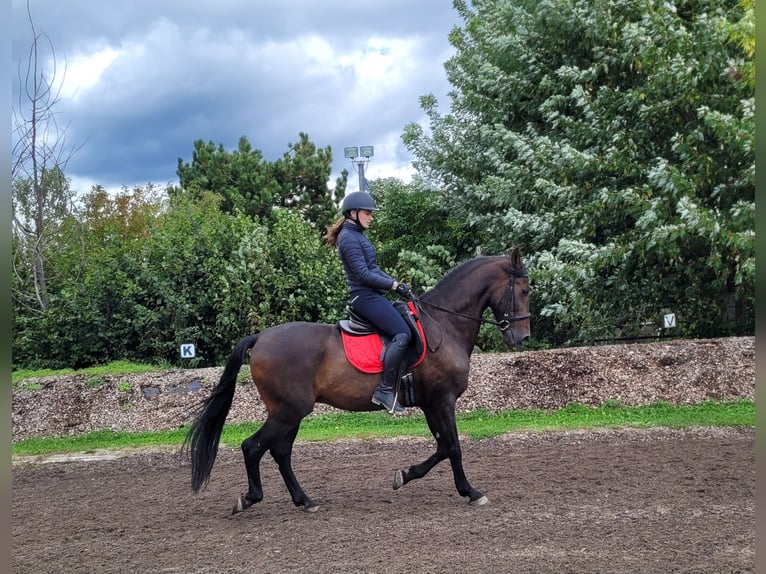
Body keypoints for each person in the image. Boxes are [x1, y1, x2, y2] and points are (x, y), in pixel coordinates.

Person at [325, 191, 412, 414]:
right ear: (353, 213)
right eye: (367, 213)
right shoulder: (349, 238)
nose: (371, 217)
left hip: (372, 294)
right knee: (402, 333)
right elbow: (363, 275)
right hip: (364, 297)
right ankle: (384, 389)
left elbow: (373, 269)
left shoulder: (358, 236)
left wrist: (397, 284)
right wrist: (393, 286)